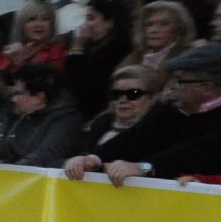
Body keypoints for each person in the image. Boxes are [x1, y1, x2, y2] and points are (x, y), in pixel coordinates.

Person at [65, 43, 221, 184]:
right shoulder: (172, 110)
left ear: (208, 88)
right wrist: (92, 159)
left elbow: (194, 154)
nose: (172, 87)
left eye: (180, 81)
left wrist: (144, 168)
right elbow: (136, 137)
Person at [0, 63, 83, 166]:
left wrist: (6, 175)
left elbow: (43, 157)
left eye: (19, 94)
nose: (14, 99)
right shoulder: (10, 112)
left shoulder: (64, 120)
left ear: (40, 97)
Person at [70, 64, 162, 157]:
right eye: (116, 94)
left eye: (133, 94)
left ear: (153, 98)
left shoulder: (158, 131)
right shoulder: (101, 123)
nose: (122, 100)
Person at [63, 0, 132, 119]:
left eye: (91, 18)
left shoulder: (116, 50)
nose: (86, 24)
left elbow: (81, 84)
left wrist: (77, 46)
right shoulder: (93, 46)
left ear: (110, 22)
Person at [116, 0, 196, 74]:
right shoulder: (133, 58)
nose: (154, 30)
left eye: (164, 24)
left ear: (179, 28)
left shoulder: (188, 57)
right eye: (149, 24)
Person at [0, 0, 66, 76]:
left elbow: (51, 81)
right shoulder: (9, 52)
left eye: (45, 19)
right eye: (31, 19)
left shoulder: (56, 50)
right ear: (21, 25)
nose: (39, 24)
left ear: (52, 25)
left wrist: (18, 62)